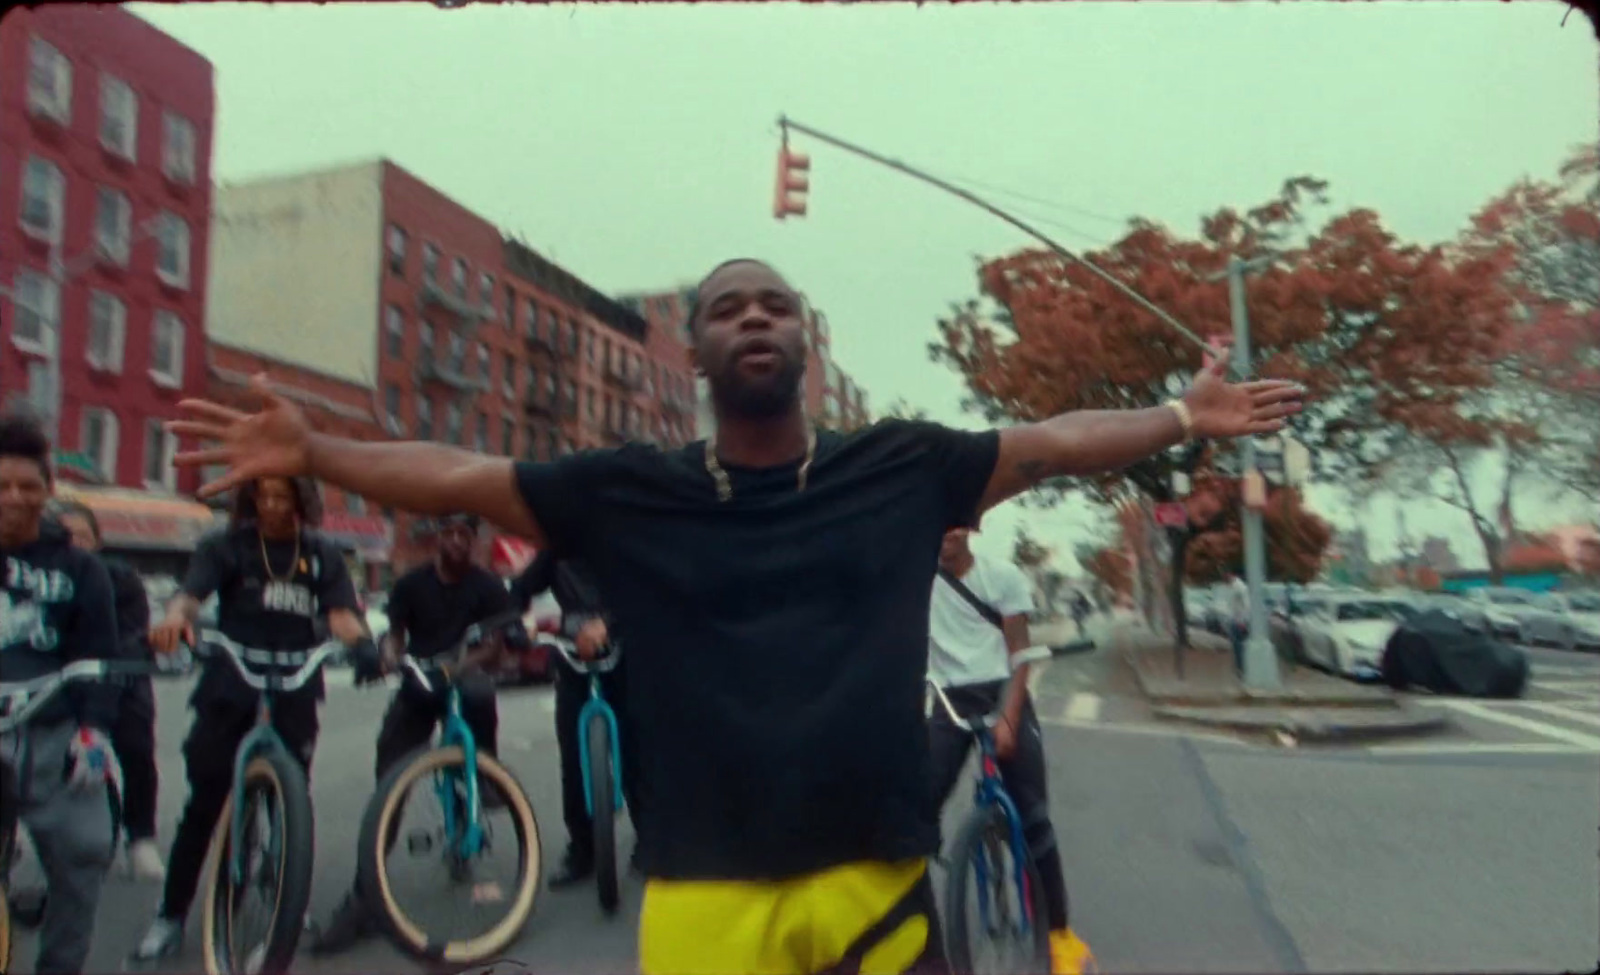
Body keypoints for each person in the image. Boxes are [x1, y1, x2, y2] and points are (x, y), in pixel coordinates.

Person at [166, 258, 1303, 975]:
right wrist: (319, 451)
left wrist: (1178, 417)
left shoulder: (899, 467)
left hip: (877, 879)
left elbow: (1053, 442)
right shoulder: (630, 488)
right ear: (700, 351)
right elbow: (460, 474)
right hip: (704, 893)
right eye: (725, 308)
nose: (752, 319)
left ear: (803, 341)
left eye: (774, 305)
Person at [129, 475, 376, 964]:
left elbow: (342, 614)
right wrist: (176, 618)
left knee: (291, 800)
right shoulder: (226, 546)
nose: (271, 504)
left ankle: (287, 900)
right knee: (205, 802)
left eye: (282, 496)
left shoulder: (322, 554)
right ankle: (171, 915)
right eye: (262, 495)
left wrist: (363, 644)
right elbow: (190, 595)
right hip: (232, 679)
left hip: (294, 681)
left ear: (300, 501)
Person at [309, 512, 521, 955]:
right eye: (450, 532)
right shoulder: (410, 585)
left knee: (480, 699)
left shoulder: (487, 586)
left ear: (474, 540)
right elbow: (395, 635)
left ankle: (484, 778)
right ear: (437, 538)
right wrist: (388, 655)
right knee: (389, 780)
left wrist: (457, 666)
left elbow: (494, 646)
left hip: (464, 678)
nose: (459, 540)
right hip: (420, 683)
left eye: (467, 533)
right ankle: (364, 899)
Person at [925, 526, 1093, 975]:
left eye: (954, 524)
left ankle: (1060, 936)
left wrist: (1010, 717)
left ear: (971, 529)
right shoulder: (916, 580)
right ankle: (920, 938)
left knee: (1035, 820)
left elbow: (1020, 655)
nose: (944, 534)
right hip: (949, 699)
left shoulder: (1002, 577)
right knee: (914, 816)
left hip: (1004, 689)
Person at [0, 408, 124, 975]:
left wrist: (93, 734)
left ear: (48, 491)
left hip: (56, 734)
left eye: (28, 486)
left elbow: (98, 660)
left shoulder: (81, 570)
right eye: (2, 485)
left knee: (86, 851)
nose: (14, 497)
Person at [509, 547, 643, 888]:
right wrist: (516, 623)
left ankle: (651, 840)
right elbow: (519, 590)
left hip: (623, 654)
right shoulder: (555, 550)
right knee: (572, 755)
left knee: (636, 751)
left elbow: (646, 587)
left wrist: (608, 622)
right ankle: (582, 850)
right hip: (571, 660)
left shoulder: (616, 537)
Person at [51, 500, 166, 881]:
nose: (74, 545)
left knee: (136, 747)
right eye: (66, 537)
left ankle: (141, 838)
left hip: (117, 676)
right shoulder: (41, 578)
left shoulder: (120, 578)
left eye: (82, 537)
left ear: (98, 541)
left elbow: (130, 640)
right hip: (58, 681)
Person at [1227, 572, 1249, 675]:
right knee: (1236, 646)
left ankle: (1242, 668)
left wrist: (1243, 621)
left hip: (1239, 621)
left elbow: (1246, 605)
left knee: (1239, 646)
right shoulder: (1233, 586)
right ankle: (1239, 667)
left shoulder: (1240, 587)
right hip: (1234, 619)